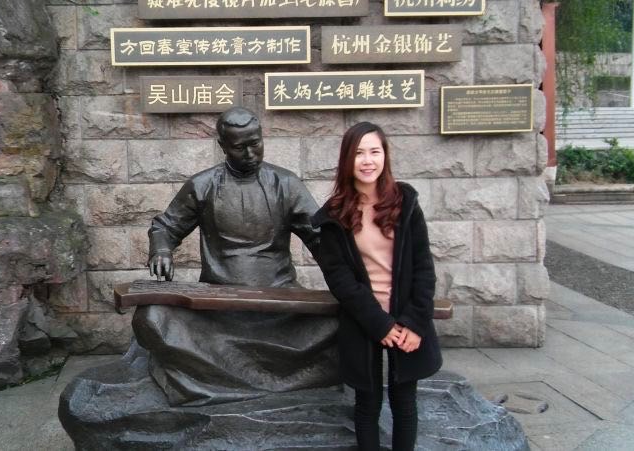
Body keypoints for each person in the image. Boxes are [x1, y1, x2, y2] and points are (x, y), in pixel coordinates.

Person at [312, 122, 441, 450]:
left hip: (407, 317)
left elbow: (424, 268)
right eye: (359, 153)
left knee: (404, 402)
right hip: (364, 319)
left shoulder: (405, 203)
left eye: (374, 151)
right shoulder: (334, 215)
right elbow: (340, 280)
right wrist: (378, 323)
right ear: (347, 159)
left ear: (385, 155)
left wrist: (415, 323)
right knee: (367, 405)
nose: (367, 160)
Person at [147, 106, 319, 287]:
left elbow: (319, 235)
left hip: (280, 290)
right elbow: (166, 227)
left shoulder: (286, 183)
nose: (250, 154)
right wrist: (161, 250)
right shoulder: (202, 185)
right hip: (220, 292)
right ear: (223, 146)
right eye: (239, 147)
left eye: (255, 144)